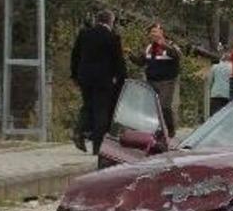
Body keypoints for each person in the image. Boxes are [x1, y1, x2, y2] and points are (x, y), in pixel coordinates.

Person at [70, 9, 126, 155]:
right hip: (103, 80)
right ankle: (98, 146)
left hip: (85, 78)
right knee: (101, 110)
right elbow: (118, 62)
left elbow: (75, 55)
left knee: (87, 106)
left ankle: (79, 131)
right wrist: (121, 80)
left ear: (97, 20)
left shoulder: (84, 34)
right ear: (111, 21)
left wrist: (75, 76)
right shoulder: (113, 37)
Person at [134, 23, 182, 138]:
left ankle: (170, 130)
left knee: (164, 106)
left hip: (167, 81)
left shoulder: (171, 45)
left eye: (156, 31)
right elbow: (141, 62)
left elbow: (177, 56)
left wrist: (163, 45)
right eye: (152, 32)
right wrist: (130, 55)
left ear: (162, 33)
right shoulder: (149, 47)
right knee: (152, 107)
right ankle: (157, 130)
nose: (154, 34)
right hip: (151, 80)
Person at [208, 48, 233, 116]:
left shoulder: (214, 67)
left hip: (215, 94)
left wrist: (210, 89)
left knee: (215, 115)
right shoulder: (232, 67)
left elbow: (210, 81)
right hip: (228, 94)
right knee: (226, 115)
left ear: (221, 59)